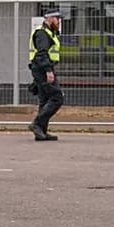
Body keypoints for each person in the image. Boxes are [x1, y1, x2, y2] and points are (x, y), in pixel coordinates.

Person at [27, 7, 65, 141]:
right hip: (43, 69)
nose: (59, 21)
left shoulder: (49, 33)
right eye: (57, 18)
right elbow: (41, 54)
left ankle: (41, 131)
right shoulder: (43, 34)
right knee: (57, 98)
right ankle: (37, 124)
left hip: (42, 68)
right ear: (49, 18)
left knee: (44, 100)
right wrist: (48, 71)